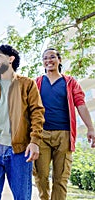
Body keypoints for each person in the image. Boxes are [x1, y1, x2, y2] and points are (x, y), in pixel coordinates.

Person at [0, 44, 45, 200]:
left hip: (20, 149)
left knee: (22, 196)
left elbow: (37, 113)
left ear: (10, 59)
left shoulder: (27, 84)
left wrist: (35, 141)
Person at [34, 48, 95, 200]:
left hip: (64, 135)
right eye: (45, 58)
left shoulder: (70, 82)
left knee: (60, 179)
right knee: (40, 177)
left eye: (52, 57)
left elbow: (81, 105)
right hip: (41, 134)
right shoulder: (37, 83)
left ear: (59, 60)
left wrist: (90, 128)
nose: (49, 60)